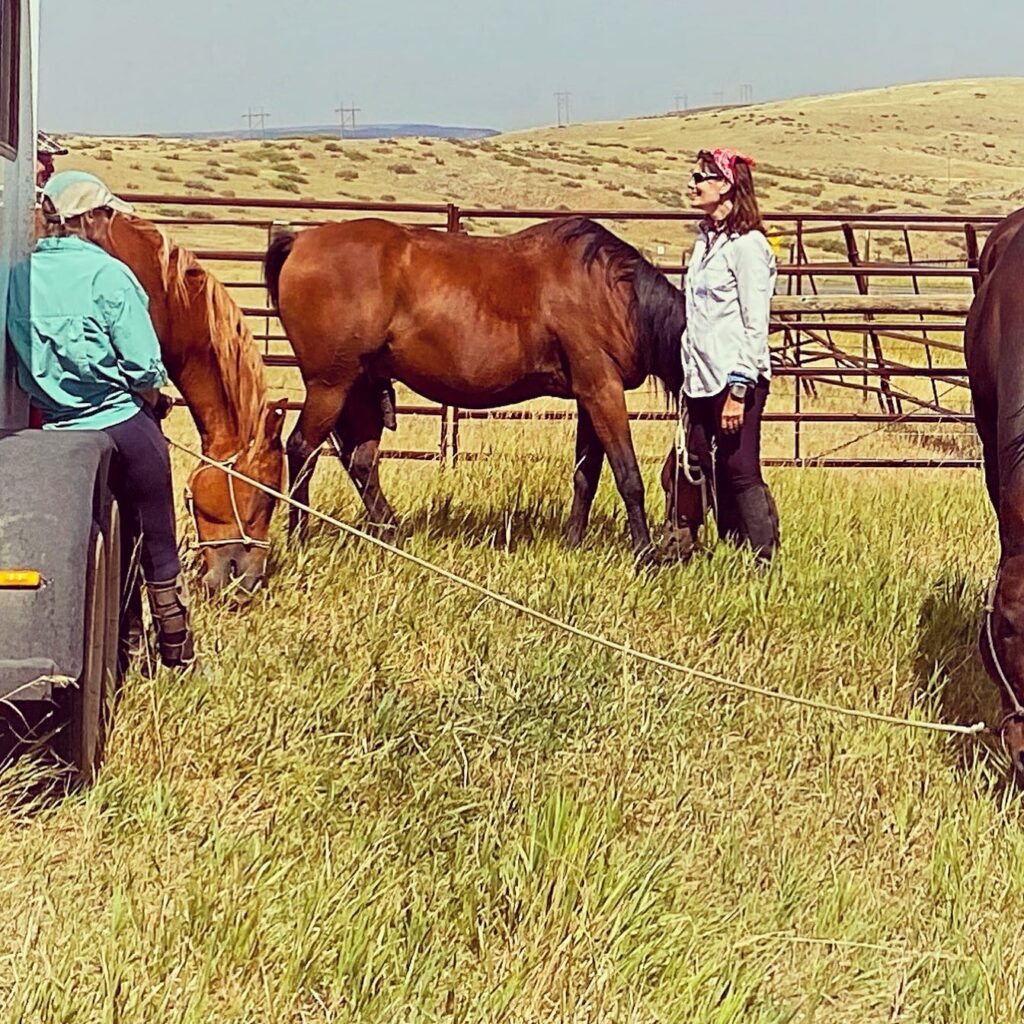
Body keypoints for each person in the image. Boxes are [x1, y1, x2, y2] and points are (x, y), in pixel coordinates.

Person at [6, 170, 195, 668]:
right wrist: (154, 401)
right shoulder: (109, 275)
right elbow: (144, 367)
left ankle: (120, 645)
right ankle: (176, 648)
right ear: (89, 218)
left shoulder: (17, 276)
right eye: (107, 214)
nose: (110, 223)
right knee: (155, 532)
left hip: (53, 429)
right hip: (118, 419)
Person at [660, 148, 780, 567]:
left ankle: (763, 561)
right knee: (698, 459)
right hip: (700, 377)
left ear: (726, 185)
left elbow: (754, 323)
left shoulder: (748, 247)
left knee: (740, 469)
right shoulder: (706, 242)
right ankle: (704, 549)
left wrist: (739, 389)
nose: (691, 184)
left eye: (701, 178)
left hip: (733, 378)